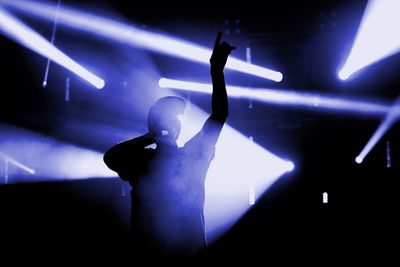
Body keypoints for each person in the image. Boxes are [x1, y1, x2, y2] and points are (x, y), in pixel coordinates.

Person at [103, 32, 235, 256]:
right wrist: (151, 136)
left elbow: (219, 114)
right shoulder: (141, 164)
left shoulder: (192, 154)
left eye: (175, 118)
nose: (173, 123)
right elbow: (111, 157)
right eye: (166, 117)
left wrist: (216, 71)